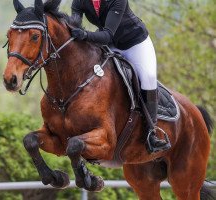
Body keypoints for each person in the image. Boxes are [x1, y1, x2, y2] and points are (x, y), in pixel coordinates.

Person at [70, 0, 170, 153]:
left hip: (135, 43)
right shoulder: (79, 1)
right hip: (110, 46)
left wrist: (85, 35)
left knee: (148, 78)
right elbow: (74, 25)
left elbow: (108, 35)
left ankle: (152, 132)